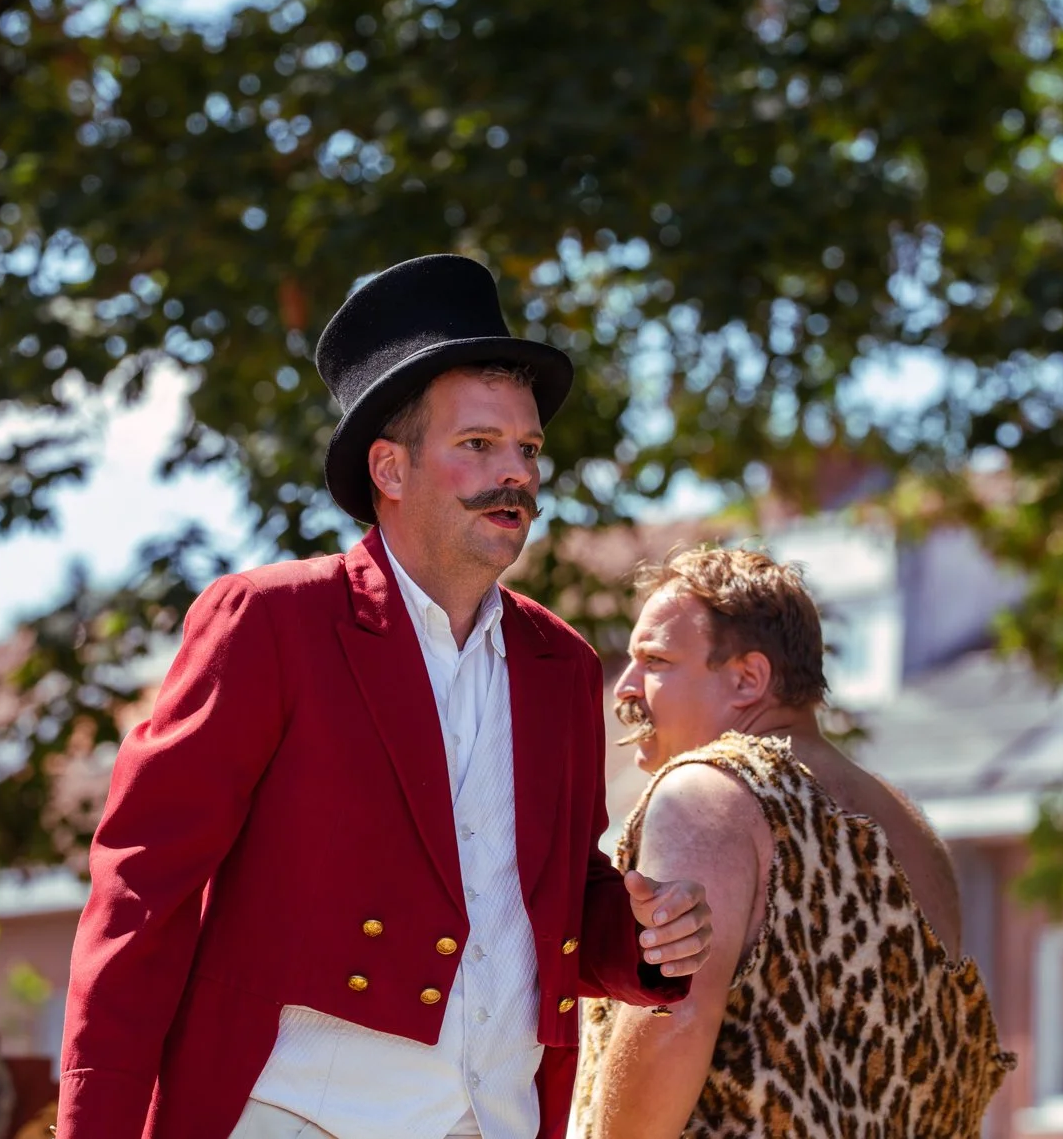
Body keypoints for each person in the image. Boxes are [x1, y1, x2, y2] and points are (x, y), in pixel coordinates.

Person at [59, 254, 715, 1139]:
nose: (516, 473)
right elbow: (142, 893)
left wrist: (637, 937)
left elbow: (546, 901)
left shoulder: (558, 663)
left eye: (527, 449)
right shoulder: (270, 622)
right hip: (291, 1116)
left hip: (499, 1116)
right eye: (478, 445)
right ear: (390, 468)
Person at [573, 548, 1015, 1138]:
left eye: (655, 661)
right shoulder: (907, 824)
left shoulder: (708, 791)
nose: (626, 689)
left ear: (747, 679)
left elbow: (673, 1018)